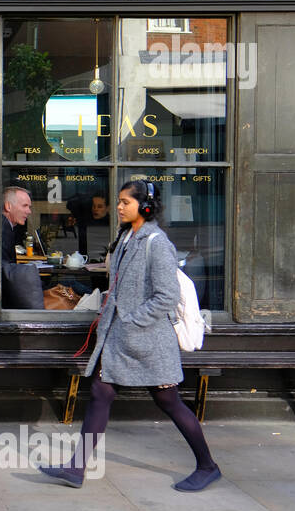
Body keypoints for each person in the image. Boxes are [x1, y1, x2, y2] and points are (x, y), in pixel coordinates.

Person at [38, 179, 222, 492]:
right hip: (120, 340)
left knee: (168, 400)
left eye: (126, 202)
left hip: (149, 343)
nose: (119, 207)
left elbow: (166, 295)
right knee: (101, 392)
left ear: (145, 206)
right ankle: (76, 468)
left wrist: (133, 321)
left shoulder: (156, 242)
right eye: (119, 201)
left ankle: (208, 465)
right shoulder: (126, 238)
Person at [1, 185, 31, 263]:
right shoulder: (2, 231)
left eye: (29, 207)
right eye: (24, 206)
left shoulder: (5, 226)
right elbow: (5, 268)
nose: (29, 211)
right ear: (8, 206)